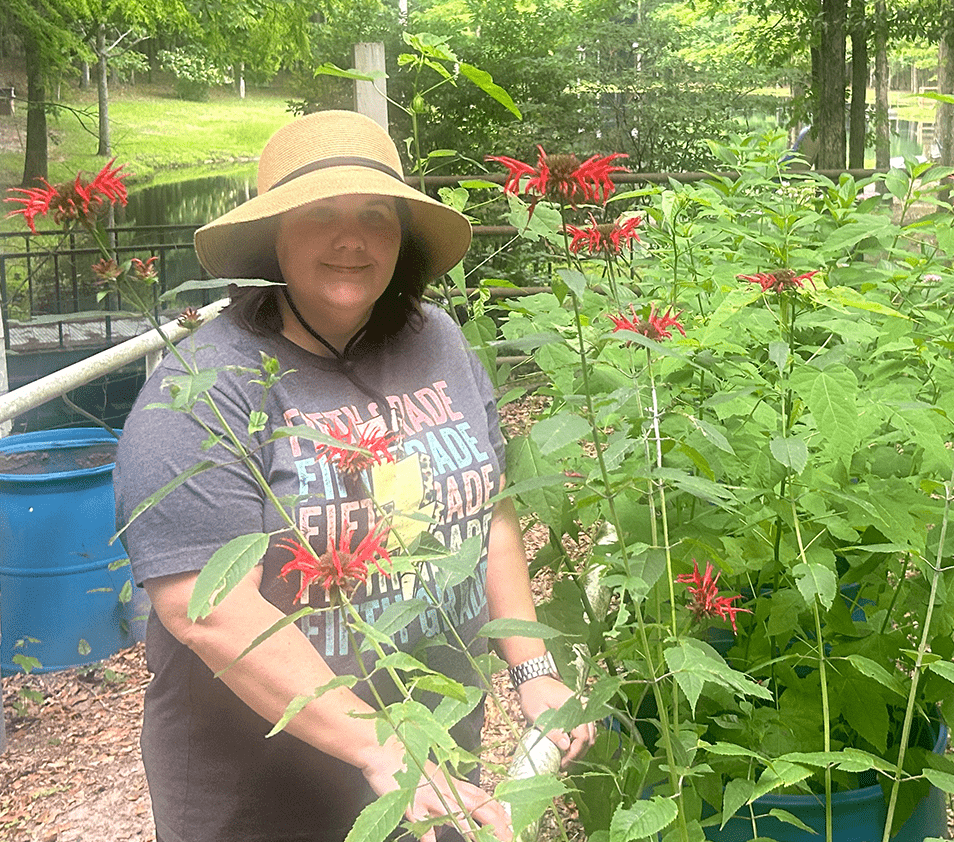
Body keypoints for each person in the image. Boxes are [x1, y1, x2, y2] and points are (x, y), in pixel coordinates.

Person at [115, 110, 594, 842]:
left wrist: (533, 672)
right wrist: (382, 747)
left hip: (434, 761)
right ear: (274, 236)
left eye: (376, 215)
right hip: (270, 800)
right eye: (321, 216)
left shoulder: (435, 339)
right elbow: (203, 605)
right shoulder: (208, 386)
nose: (352, 239)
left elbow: (485, 509)